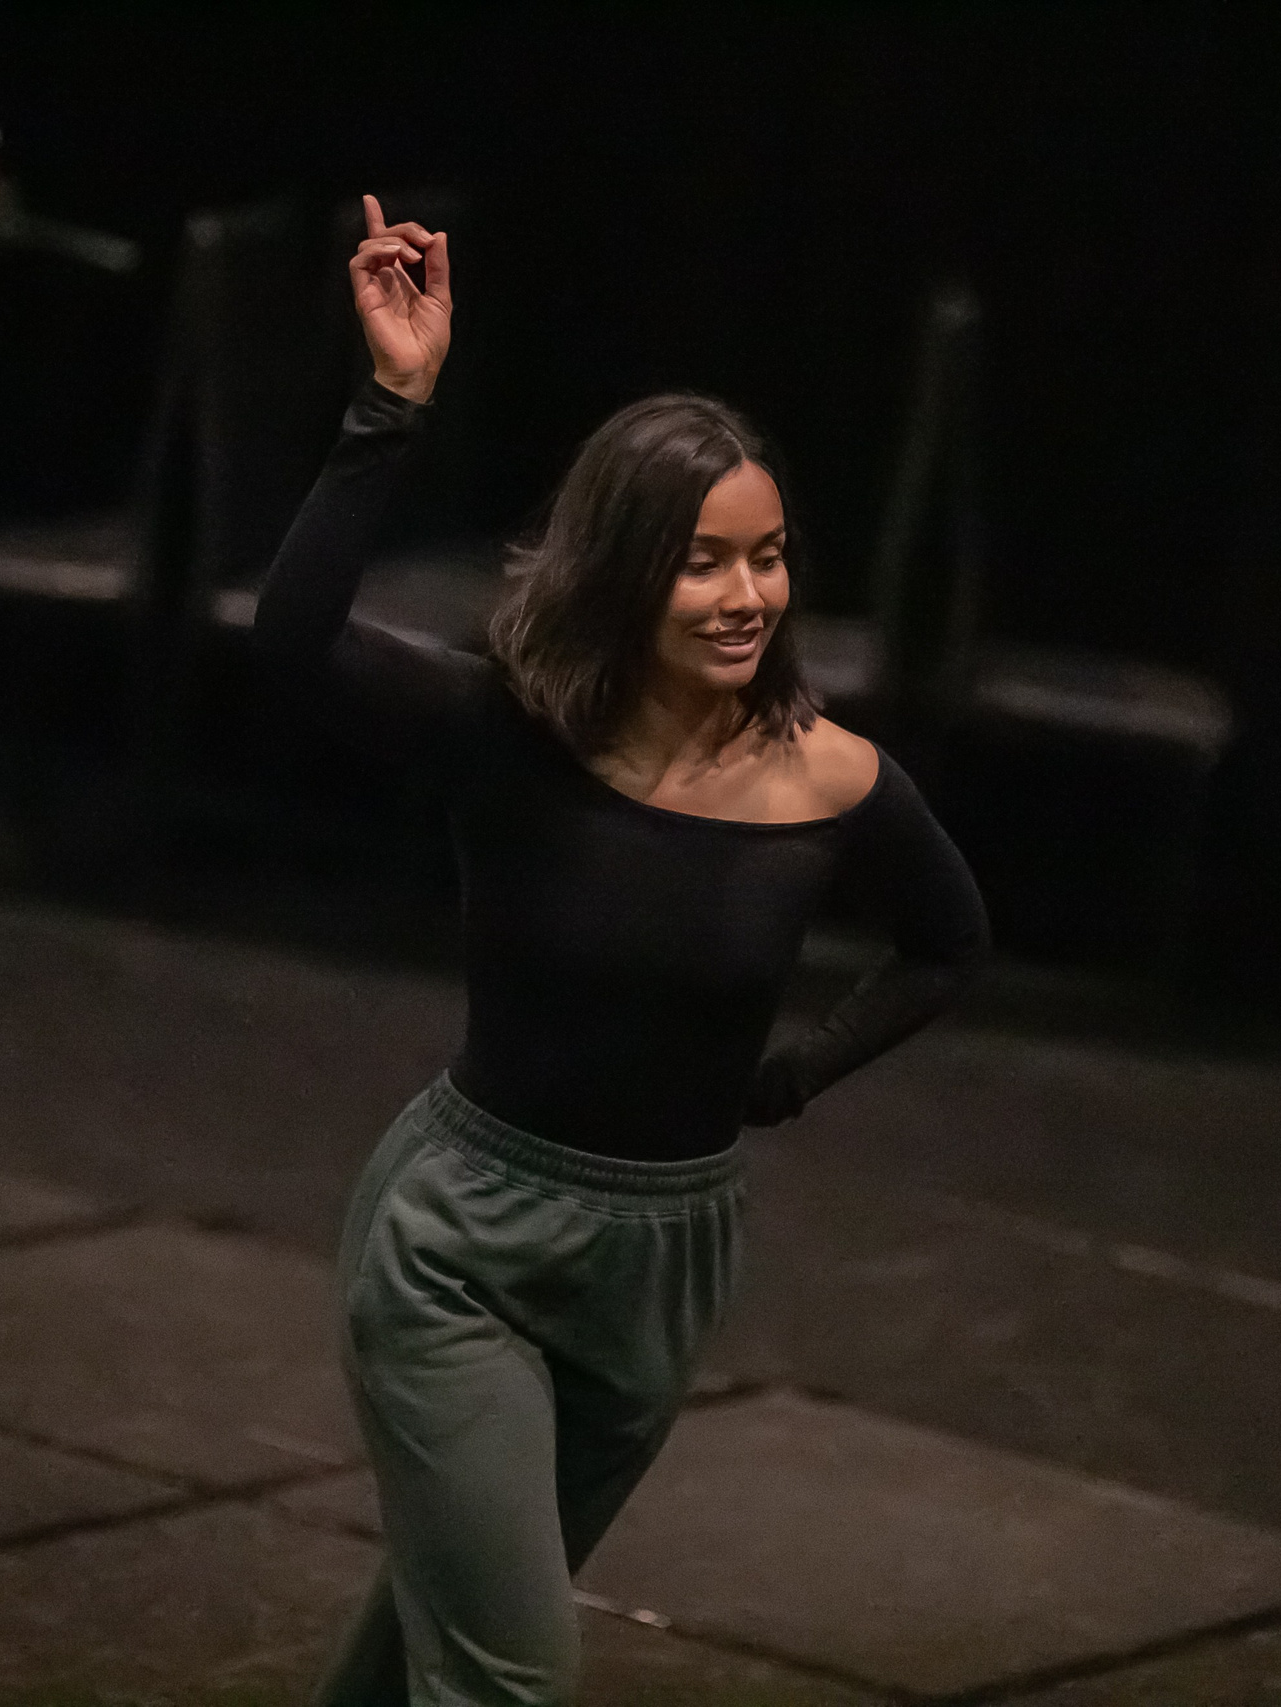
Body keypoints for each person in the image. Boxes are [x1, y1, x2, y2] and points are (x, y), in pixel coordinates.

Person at [256, 194, 990, 1707]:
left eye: (770, 559)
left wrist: (783, 1084)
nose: (746, 598)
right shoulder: (511, 739)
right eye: (704, 565)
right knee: (510, 1673)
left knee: (440, 1637)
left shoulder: (831, 778)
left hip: (665, 1256)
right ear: (621, 571)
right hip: (464, 1245)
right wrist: (387, 408)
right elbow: (289, 642)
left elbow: (946, 946)